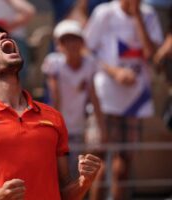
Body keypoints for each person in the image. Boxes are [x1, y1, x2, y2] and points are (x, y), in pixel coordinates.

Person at [0, 25, 101, 200]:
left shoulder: (54, 118)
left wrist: (85, 181)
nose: (3, 37)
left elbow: (64, 194)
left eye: (5, 35)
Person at [84, 0, 163, 199]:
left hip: (136, 101)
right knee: (97, 162)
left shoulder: (149, 14)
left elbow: (150, 54)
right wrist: (114, 72)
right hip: (104, 100)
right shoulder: (104, 13)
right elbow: (86, 49)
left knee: (123, 165)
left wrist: (137, 17)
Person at [41, 19, 106, 179]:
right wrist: (54, 127)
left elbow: (94, 96)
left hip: (77, 127)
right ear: (59, 44)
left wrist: (101, 127)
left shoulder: (90, 64)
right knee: (58, 171)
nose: (71, 44)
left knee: (74, 172)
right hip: (58, 127)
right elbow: (55, 96)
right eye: (66, 40)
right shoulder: (54, 63)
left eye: (74, 39)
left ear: (82, 42)